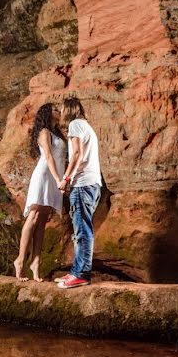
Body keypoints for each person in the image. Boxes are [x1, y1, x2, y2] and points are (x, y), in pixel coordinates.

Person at [14, 103, 66, 282]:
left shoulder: (57, 133)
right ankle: (20, 260)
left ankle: (35, 262)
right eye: (55, 110)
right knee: (34, 216)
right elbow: (49, 157)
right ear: (47, 113)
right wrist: (59, 179)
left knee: (43, 220)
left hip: (55, 177)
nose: (58, 112)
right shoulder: (44, 132)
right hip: (44, 175)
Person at [56, 97, 102, 289]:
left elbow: (77, 154)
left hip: (83, 184)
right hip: (92, 184)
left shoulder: (75, 125)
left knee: (82, 230)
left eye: (61, 110)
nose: (59, 113)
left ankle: (81, 274)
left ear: (67, 110)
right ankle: (77, 271)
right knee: (81, 229)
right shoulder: (86, 126)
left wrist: (66, 178)